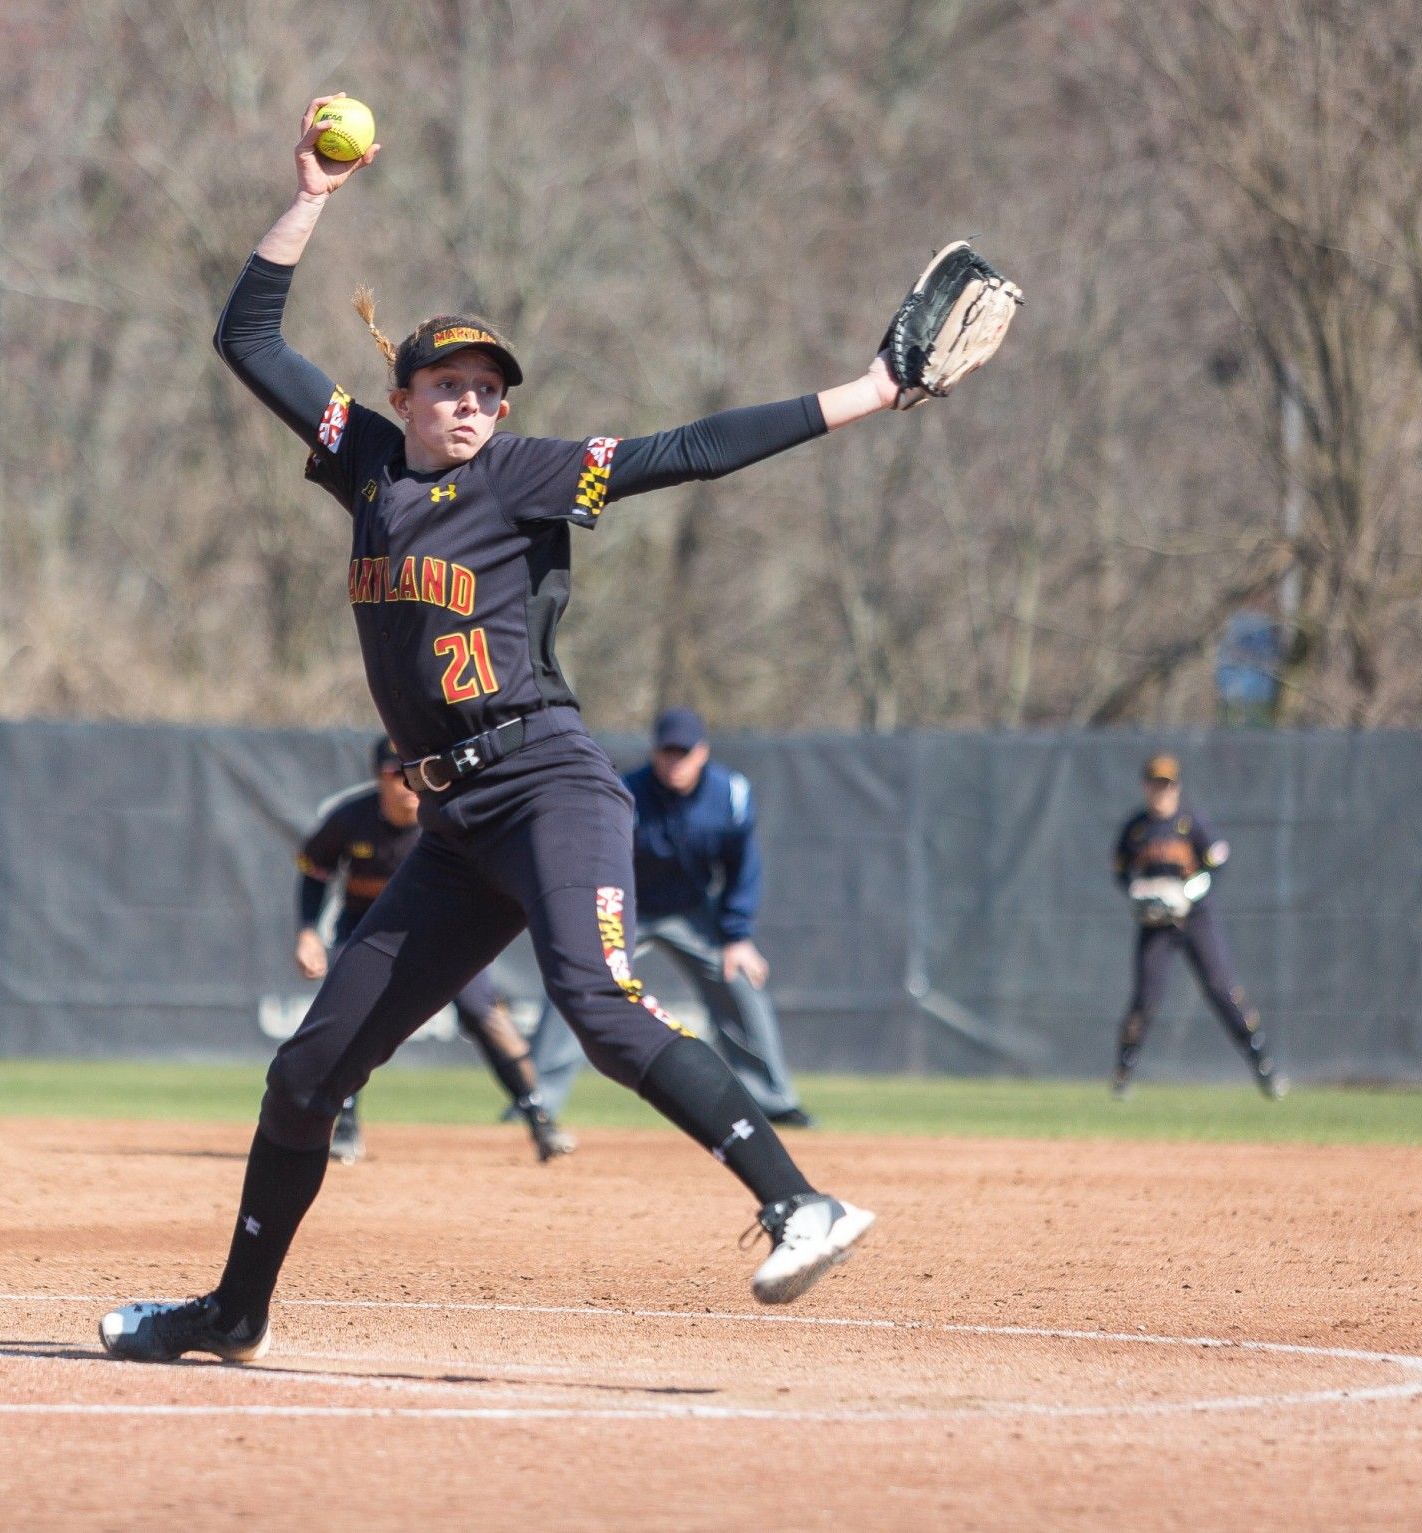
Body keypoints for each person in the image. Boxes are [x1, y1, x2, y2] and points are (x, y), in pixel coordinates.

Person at [99, 95, 985, 1364]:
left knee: (601, 1005)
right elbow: (245, 334)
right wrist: (311, 196)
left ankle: (801, 1201)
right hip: (455, 828)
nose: (472, 402)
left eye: (488, 389)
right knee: (306, 1074)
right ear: (398, 393)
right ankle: (232, 1312)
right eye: (448, 384)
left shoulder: (519, 476)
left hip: (548, 782)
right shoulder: (362, 462)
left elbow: (688, 451)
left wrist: (868, 389)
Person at [295, 736, 577, 1164]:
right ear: (378, 777)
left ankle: (540, 1117)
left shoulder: (447, 817)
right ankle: (346, 1122)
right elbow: (314, 870)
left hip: (444, 931)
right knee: (348, 1016)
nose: (406, 783)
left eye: (413, 772)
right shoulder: (350, 820)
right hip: (367, 930)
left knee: (485, 1013)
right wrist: (307, 931)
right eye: (395, 772)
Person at [622, 707, 813, 1126]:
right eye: (666, 752)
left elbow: (744, 867)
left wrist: (737, 936)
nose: (674, 761)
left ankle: (774, 1100)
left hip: (692, 911)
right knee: (581, 981)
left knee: (740, 981)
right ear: (654, 753)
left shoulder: (730, 793)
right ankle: (537, 1097)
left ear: (702, 753)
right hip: (628, 907)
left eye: (683, 752)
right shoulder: (626, 792)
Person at [1110, 753, 1285, 1100]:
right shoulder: (1136, 829)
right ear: (1145, 786)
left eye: (1167, 784)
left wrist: (1187, 890)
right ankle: (1123, 1074)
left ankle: (1263, 1066)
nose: (1161, 791)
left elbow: (1218, 858)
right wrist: (1137, 891)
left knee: (1223, 990)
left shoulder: (1190, 823)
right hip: (1156, 925)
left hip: (1195, 918)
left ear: (1177, 787)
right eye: (1155, 783)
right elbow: (1120, 871)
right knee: (1145, 999)